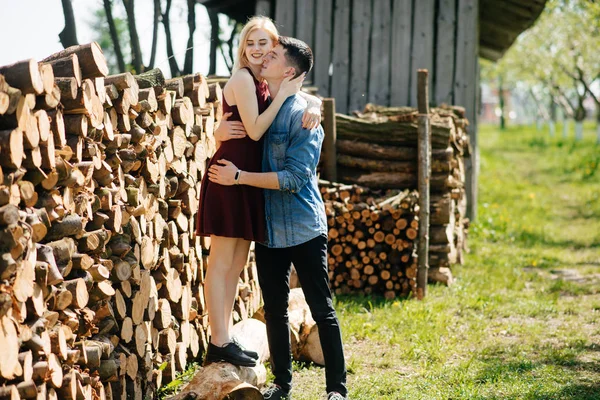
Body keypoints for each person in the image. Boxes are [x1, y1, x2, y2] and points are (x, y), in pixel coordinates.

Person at [208, 36, 348, 400]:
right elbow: (240, 127)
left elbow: (294, 178)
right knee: (275, 309)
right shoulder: (264, 101)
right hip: (268, 227)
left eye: (273, 54)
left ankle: (336, 389)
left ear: (288, 71)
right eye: (262, 52)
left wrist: (239, 177)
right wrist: (216, 131)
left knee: (321, 308)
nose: (264, 57)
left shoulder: (304, 115)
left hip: (302, 226)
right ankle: (282, 385)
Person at [196, 16, 322, 367]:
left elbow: (294, 91)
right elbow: (253, 131)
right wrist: (283, 95)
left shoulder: (262, 82)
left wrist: (313, 103)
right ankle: (218, 341)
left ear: (274, 48)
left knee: (236, 264)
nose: (257, 50)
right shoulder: (241, 77)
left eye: (264, 44)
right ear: (242, 47)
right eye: (251, 43)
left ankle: (225, 339)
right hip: (229, 176)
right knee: (221, 263)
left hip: (246, 178)